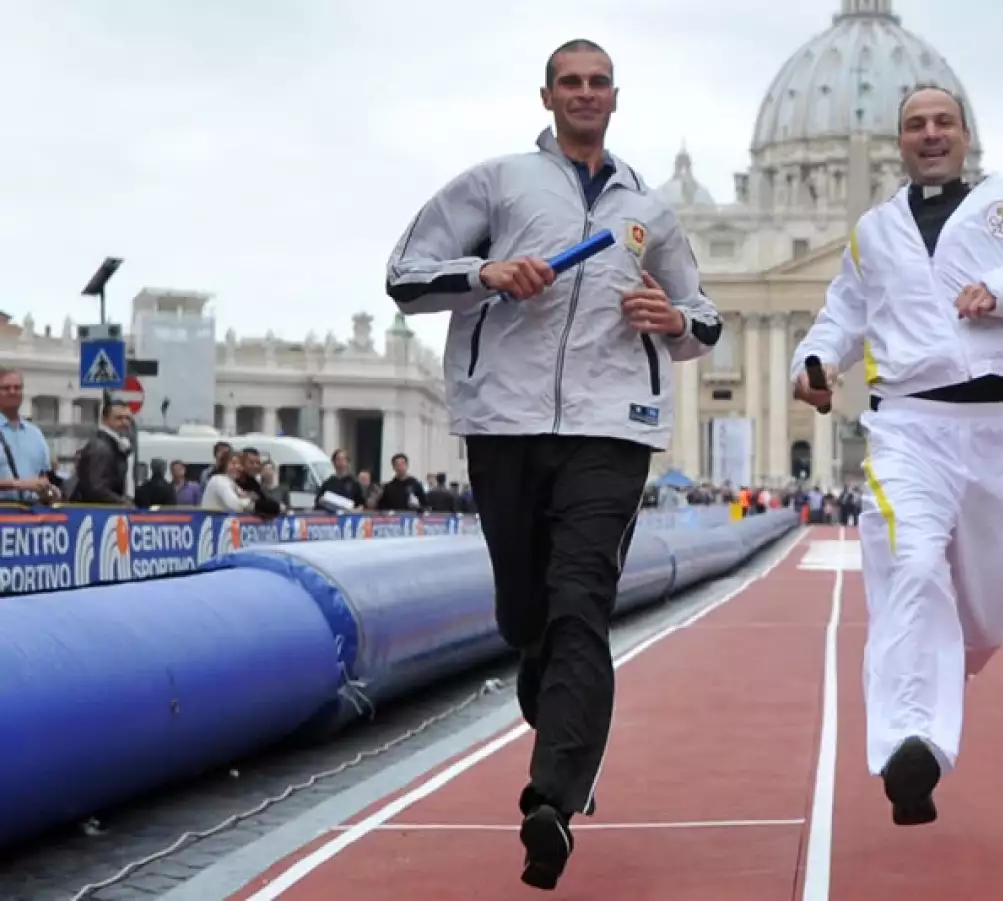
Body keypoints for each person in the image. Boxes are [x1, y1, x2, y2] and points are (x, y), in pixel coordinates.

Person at [383, 38, 722, 890]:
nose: (584, 94)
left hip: (613, 428)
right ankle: (567, 718)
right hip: (505, 420)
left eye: (597, 83)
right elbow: (405, 277)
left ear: (616, 97)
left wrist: (667, 316)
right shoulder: (496, 182)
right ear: (547, 96)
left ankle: (555, 799)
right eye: (569, 82)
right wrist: (488, 272)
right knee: (525, 610)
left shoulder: (653, 210)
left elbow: (704, 319)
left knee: (581, 600)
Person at [791, 83, 1003, 826]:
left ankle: (939, 683)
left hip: (997, 429)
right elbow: (841, 312)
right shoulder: (872, 229)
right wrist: (815, 359)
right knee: (911, 564)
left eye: (942, 122)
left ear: (967, 135)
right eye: (914, 125)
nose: (929, 134)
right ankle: (914, 744)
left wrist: (1001, 287)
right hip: (907, 425)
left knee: (988, 609)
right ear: (896, 142)